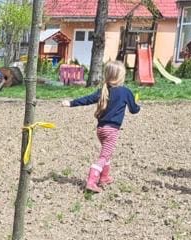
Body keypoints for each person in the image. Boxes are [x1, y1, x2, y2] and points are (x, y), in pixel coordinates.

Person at [60, 60, 140, 193]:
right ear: (122, 76)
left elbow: (87, 99)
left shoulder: (103, 91)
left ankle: (104, 177)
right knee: (103, 157)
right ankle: (92, 180)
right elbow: (134, 110)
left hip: (101, 130)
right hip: (111, 131)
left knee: (106, 154)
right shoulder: (126, 92)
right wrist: (137, 105)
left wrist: (71, 103)